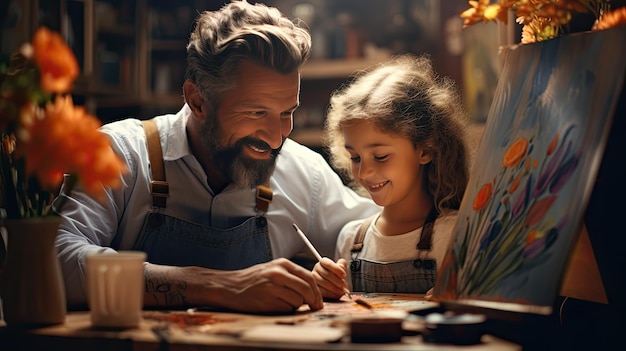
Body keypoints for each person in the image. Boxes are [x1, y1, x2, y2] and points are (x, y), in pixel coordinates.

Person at [53, 0, 379, 314]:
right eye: (256, 112)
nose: (277, 136)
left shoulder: (303, 172)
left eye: (286, 112)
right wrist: (219, 286)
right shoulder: (119, 154)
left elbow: (371, 234)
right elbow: (57, 259)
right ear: (197, 101)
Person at [312, 54, 469, 299]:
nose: (364, 172)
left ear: (425, 150)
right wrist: (325, 290)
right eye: (355, 157)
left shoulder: (458, 233)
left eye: (381, 156)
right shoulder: (351, 239)